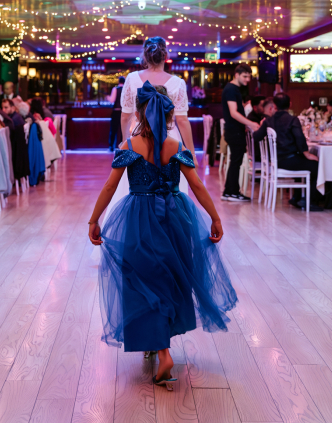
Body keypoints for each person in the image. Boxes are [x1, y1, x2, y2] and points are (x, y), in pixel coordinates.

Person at [87, 82, 238, 388]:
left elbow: (109, 187)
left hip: (139, 216)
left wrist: (94, 220)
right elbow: (196, 185)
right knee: (169, 278)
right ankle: (163, 345)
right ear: (169, 113)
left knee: (142, 280)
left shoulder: (130, 146)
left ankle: (160, 349)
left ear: (140, 111)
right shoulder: (175, 146)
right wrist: (215, 216)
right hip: (174, 216)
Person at [120, 37, 196, 165]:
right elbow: (182, 120)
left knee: (136, 180)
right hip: (169, 138)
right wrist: (191, 153)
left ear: (145, 56)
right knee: (171, 180)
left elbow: (125, 116)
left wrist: (124, 144)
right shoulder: (178, 83)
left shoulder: (131, 79)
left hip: (138, 136)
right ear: (166, 55)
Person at [253, 93, 323, 211]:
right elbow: (299, 138)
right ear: (290, 105)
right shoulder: (292, 120)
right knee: (316, 165)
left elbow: (256, 137)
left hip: (276, 161)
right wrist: (307, 153)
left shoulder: (268, 121)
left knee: (301, 161)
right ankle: (309, 201)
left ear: (274, 106)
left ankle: (296, 197)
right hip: (289, 160)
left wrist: (260, 126)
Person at [221, 64, 260, 202]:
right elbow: (233, 112)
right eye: (245, 76)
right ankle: (233, 192)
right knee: (235, 162)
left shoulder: (234, 89)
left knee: (235, 162)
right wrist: (250, 123)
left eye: (249, 77)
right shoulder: (231, 89)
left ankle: (228, 192)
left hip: (234, 130)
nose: (247, 79)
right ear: (236, 75)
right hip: (234, 131)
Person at [108, 76, 125, 151]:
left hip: (116, 112)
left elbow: (112, 100)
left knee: (113, 130)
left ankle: (111, 146)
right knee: (123, 131)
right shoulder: (126, 89)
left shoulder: (115, 89)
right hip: (123, 113)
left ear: (119, 82)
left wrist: (107, 97)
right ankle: (122, 146)